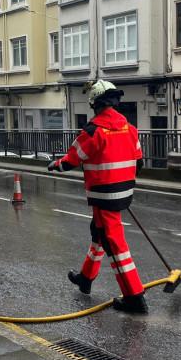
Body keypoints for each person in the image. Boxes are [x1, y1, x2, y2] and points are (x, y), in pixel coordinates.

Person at [47, 80, 148, 313]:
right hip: (123, 193)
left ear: (94, 104)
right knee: (99, 235)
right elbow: (139, 162)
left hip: (103, 196)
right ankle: (85, 277)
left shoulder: (92, 132)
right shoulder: (130, 129)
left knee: (116, 245)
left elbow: (72, 160)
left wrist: (55, 165)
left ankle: (135, 298)